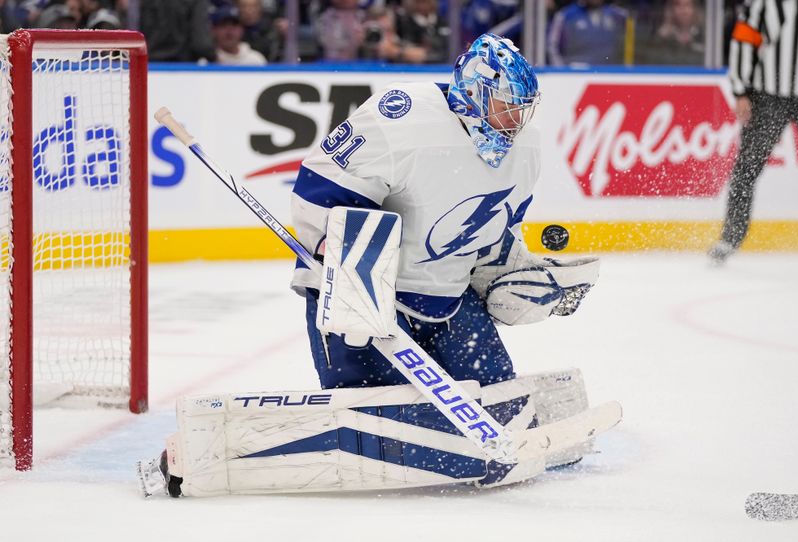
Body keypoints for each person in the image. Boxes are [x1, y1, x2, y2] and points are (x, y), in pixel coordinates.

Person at [138, 34, 603, 497]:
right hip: (360, 303)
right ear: (474, 93)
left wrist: (513, 276)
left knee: (497, 410)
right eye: (506, 106)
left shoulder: (526, 148)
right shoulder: (400, 117)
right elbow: (322, 194)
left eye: (523, 108)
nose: (516, 121)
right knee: (381, 424)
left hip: (448, 301)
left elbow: (493, 234)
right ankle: (202, 451)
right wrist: (345, 268)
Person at [708, 0, 798, 264]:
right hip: (768, 95)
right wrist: (740, 90)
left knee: (746, 169)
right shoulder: (766, 3)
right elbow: (743, 41)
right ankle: (731, 237)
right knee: (747, 167)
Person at [547, 0, 628, 66]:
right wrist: (561, 71)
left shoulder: (617, 15)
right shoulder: (566, 16)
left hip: (609, 73)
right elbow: (553, 46)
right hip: (576, 73)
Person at [635, 0, 704, 66]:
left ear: (695, 9)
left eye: (687, 5)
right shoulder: (660, 39)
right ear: (670, 10)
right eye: (678, 5)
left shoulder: (704, 38)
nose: (683, 10)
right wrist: (660, 39)